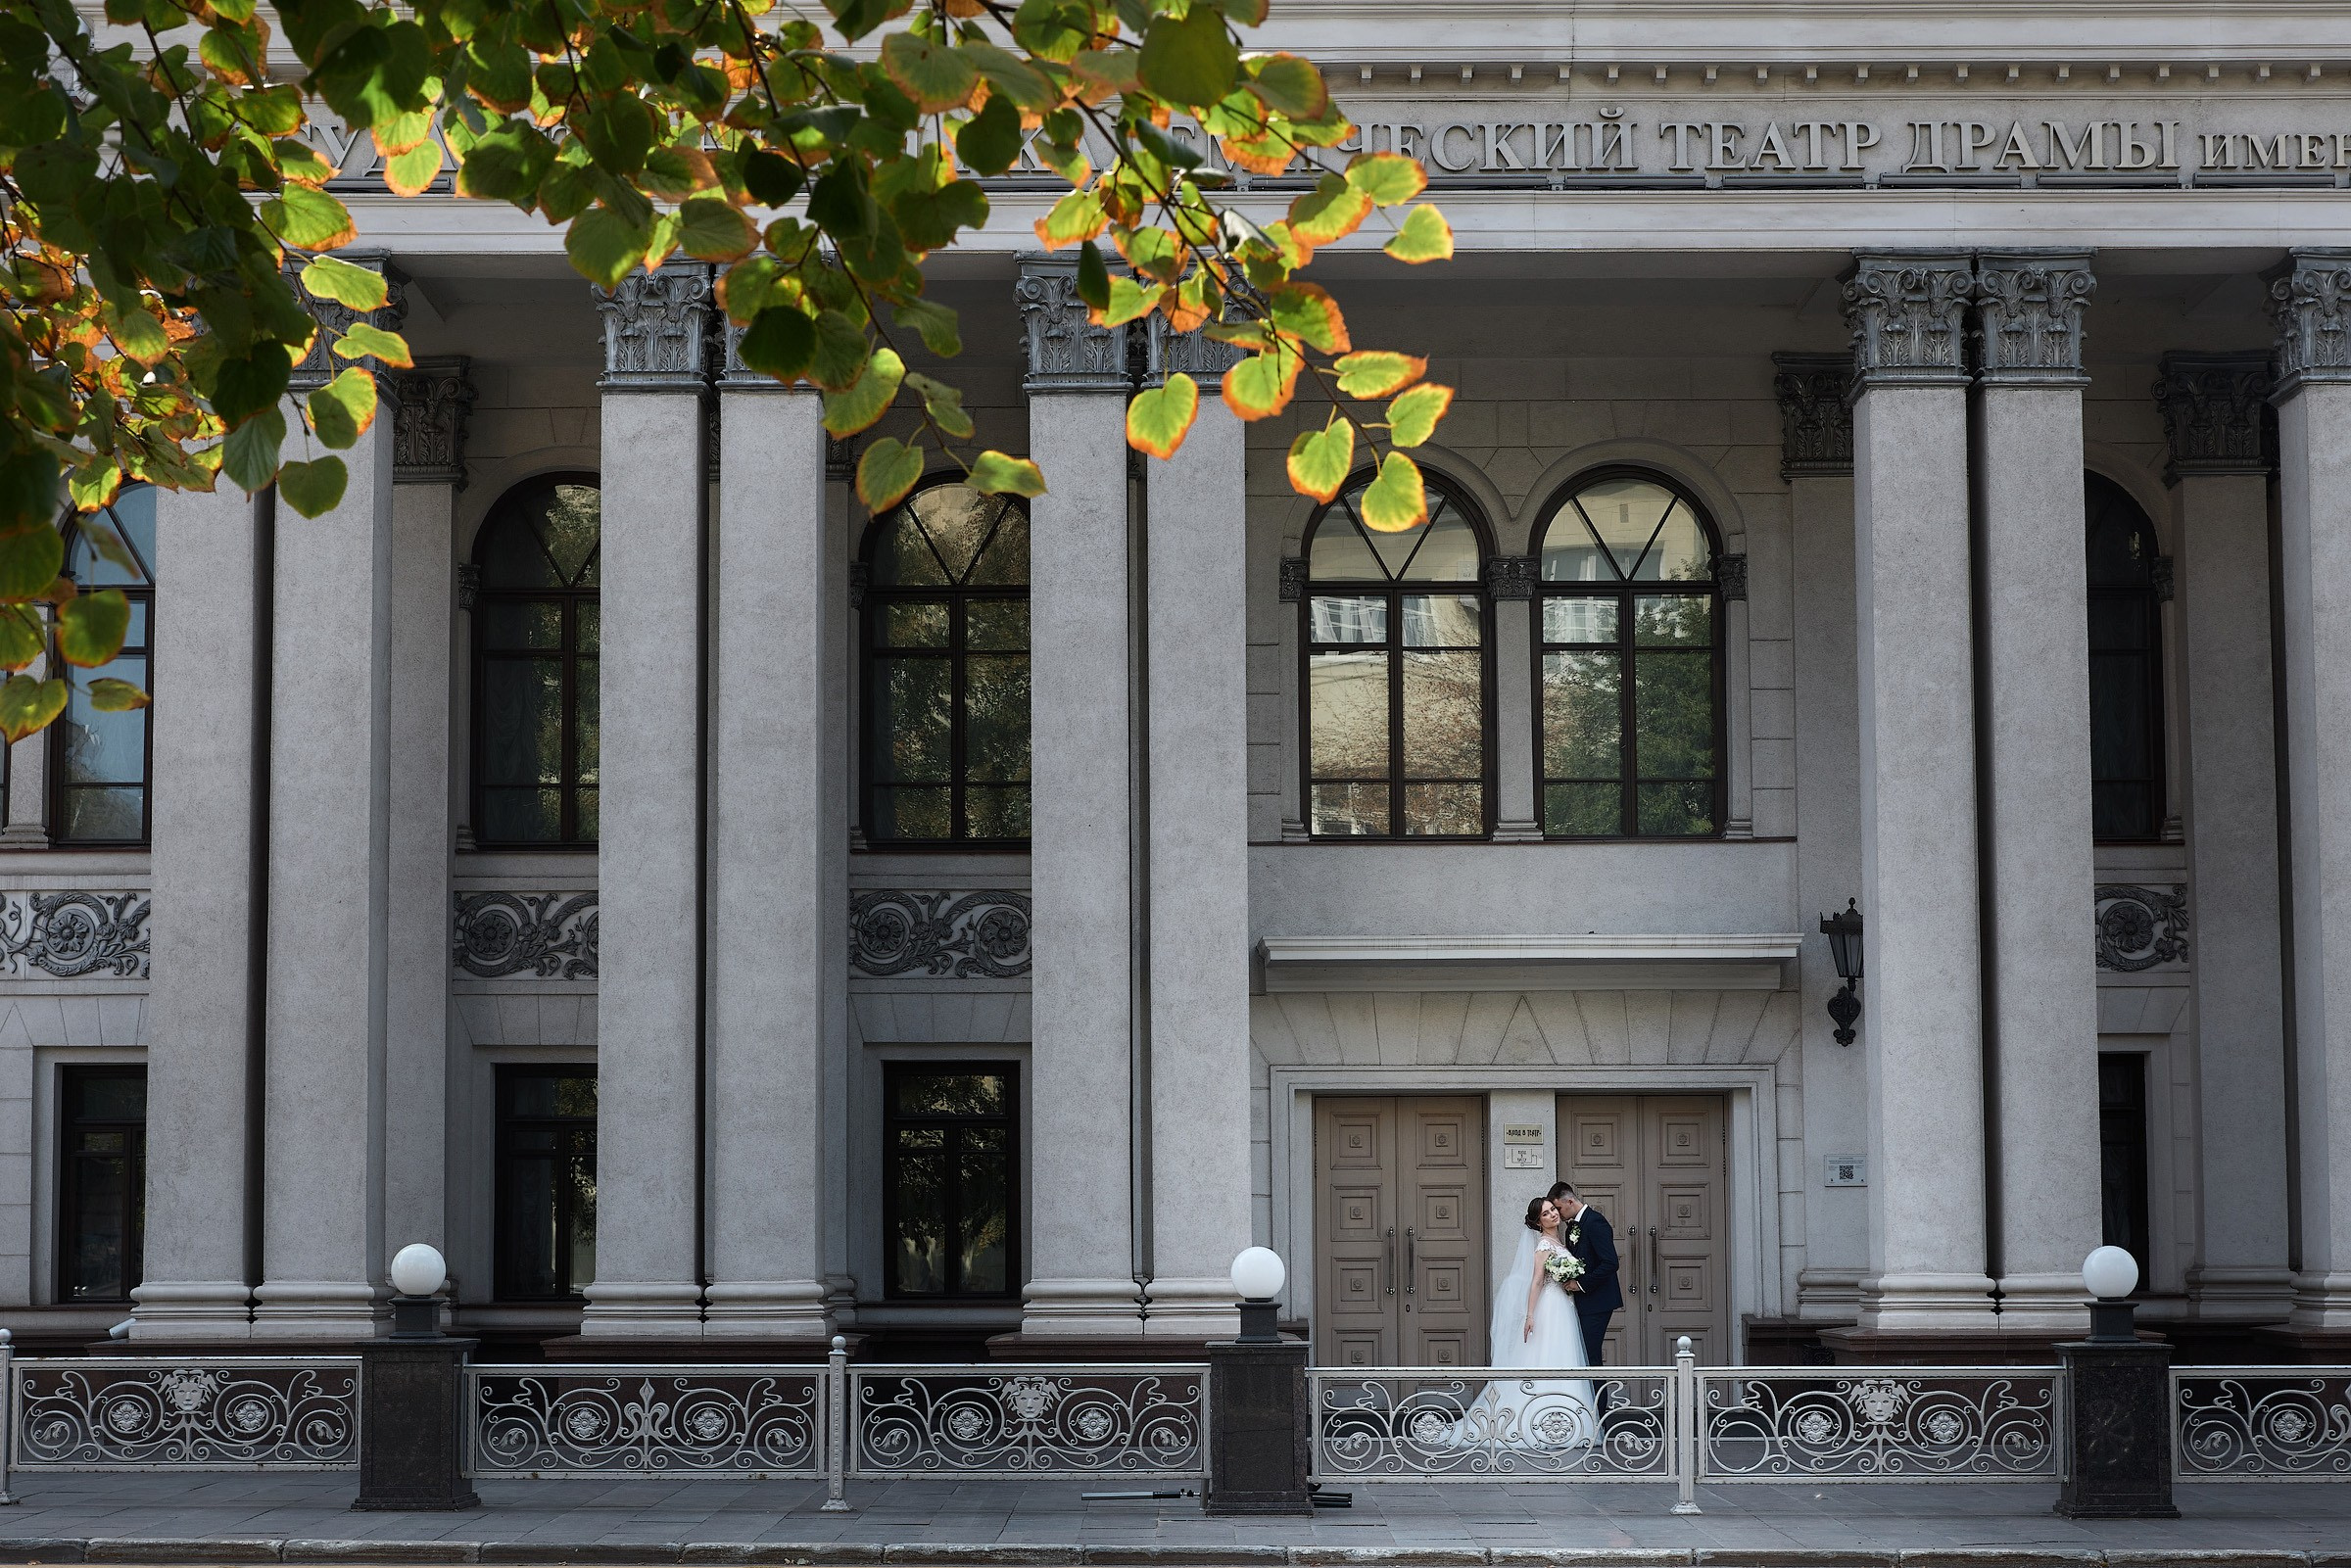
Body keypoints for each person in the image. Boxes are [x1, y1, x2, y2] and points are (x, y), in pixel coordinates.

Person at [1444, 1195, 1595, 1451]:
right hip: (1550, 1307)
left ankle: (1568, 1422)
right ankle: (1539, 1423)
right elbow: (1537, 1280)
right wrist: (1530, 1315)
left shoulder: (1562, 1239)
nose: (1553, 1215)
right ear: (1538, 1222)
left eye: (1553, 1210)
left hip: (1564, 1307)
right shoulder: (1543, 1244)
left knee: (1563, 1357)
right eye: (1546, 1214)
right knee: (1547, 1356)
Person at [1547, 1179, 1621, 1368]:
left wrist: (1580, 1284)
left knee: (1590, 1356)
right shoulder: (1573, 1225)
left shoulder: (1595, 1221)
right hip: (1584, 1302)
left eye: (1558, 1208)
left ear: (1570, 1202)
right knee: (1582, 1355)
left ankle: (1598, 1399)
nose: (1557, 1214)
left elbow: (1610, 1263)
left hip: (1598, 1301)